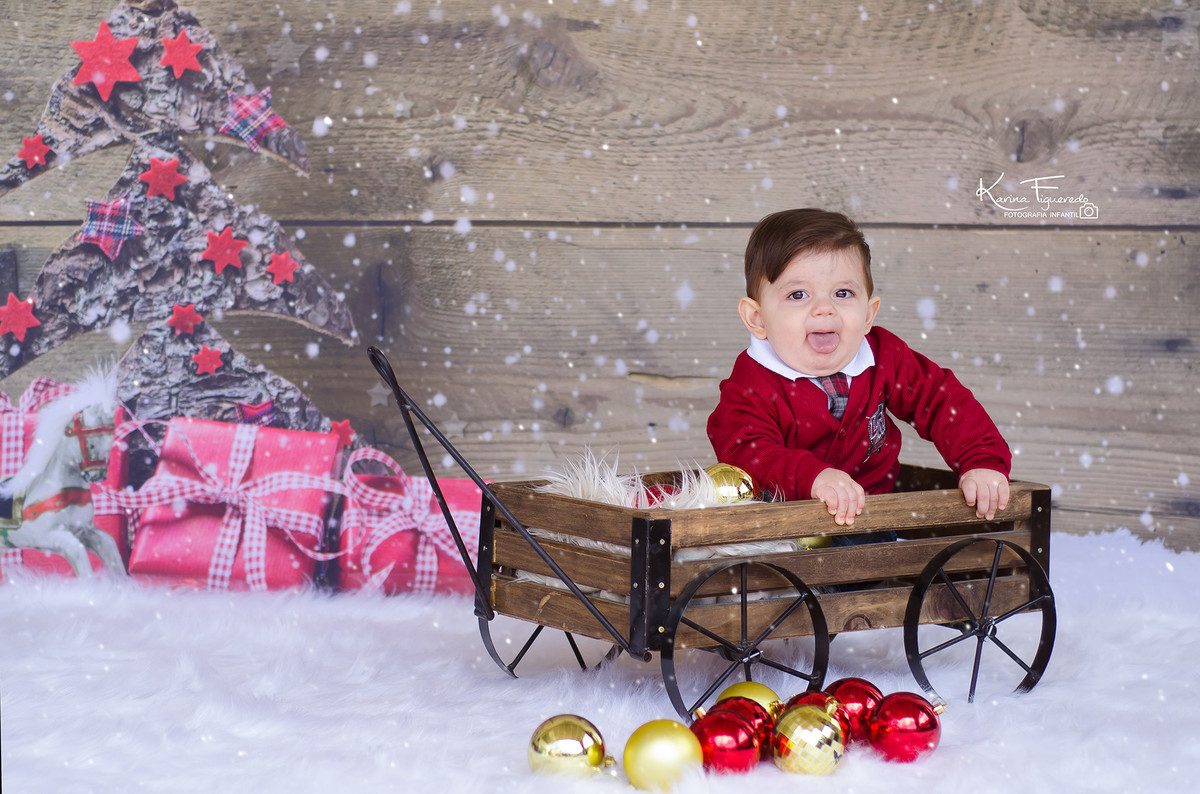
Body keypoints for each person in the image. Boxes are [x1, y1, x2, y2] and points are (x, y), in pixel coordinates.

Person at [707, 208, 1011, 530]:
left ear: (868, 313)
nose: (824, 309)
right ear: (758, 319)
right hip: (783, 529)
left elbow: (942, 400)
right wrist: (813, 477)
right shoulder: (752, 384)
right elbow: (747, 451)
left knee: (873, 568)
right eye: (798, 294)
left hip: (872, 518)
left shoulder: (883, 357)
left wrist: (981, 460)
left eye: (843, 293)